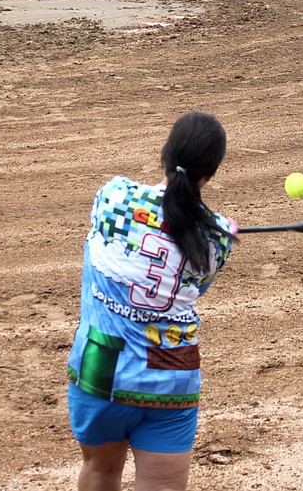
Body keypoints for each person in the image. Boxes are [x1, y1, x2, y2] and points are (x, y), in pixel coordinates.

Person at [67, 111, 237, 491]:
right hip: (171, 369)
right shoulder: (219, 236)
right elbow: (194, 288)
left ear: (165, 153)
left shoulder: (114, 196)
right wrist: (222, 230)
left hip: (101, 363)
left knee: (101, 471)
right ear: (210, 174)